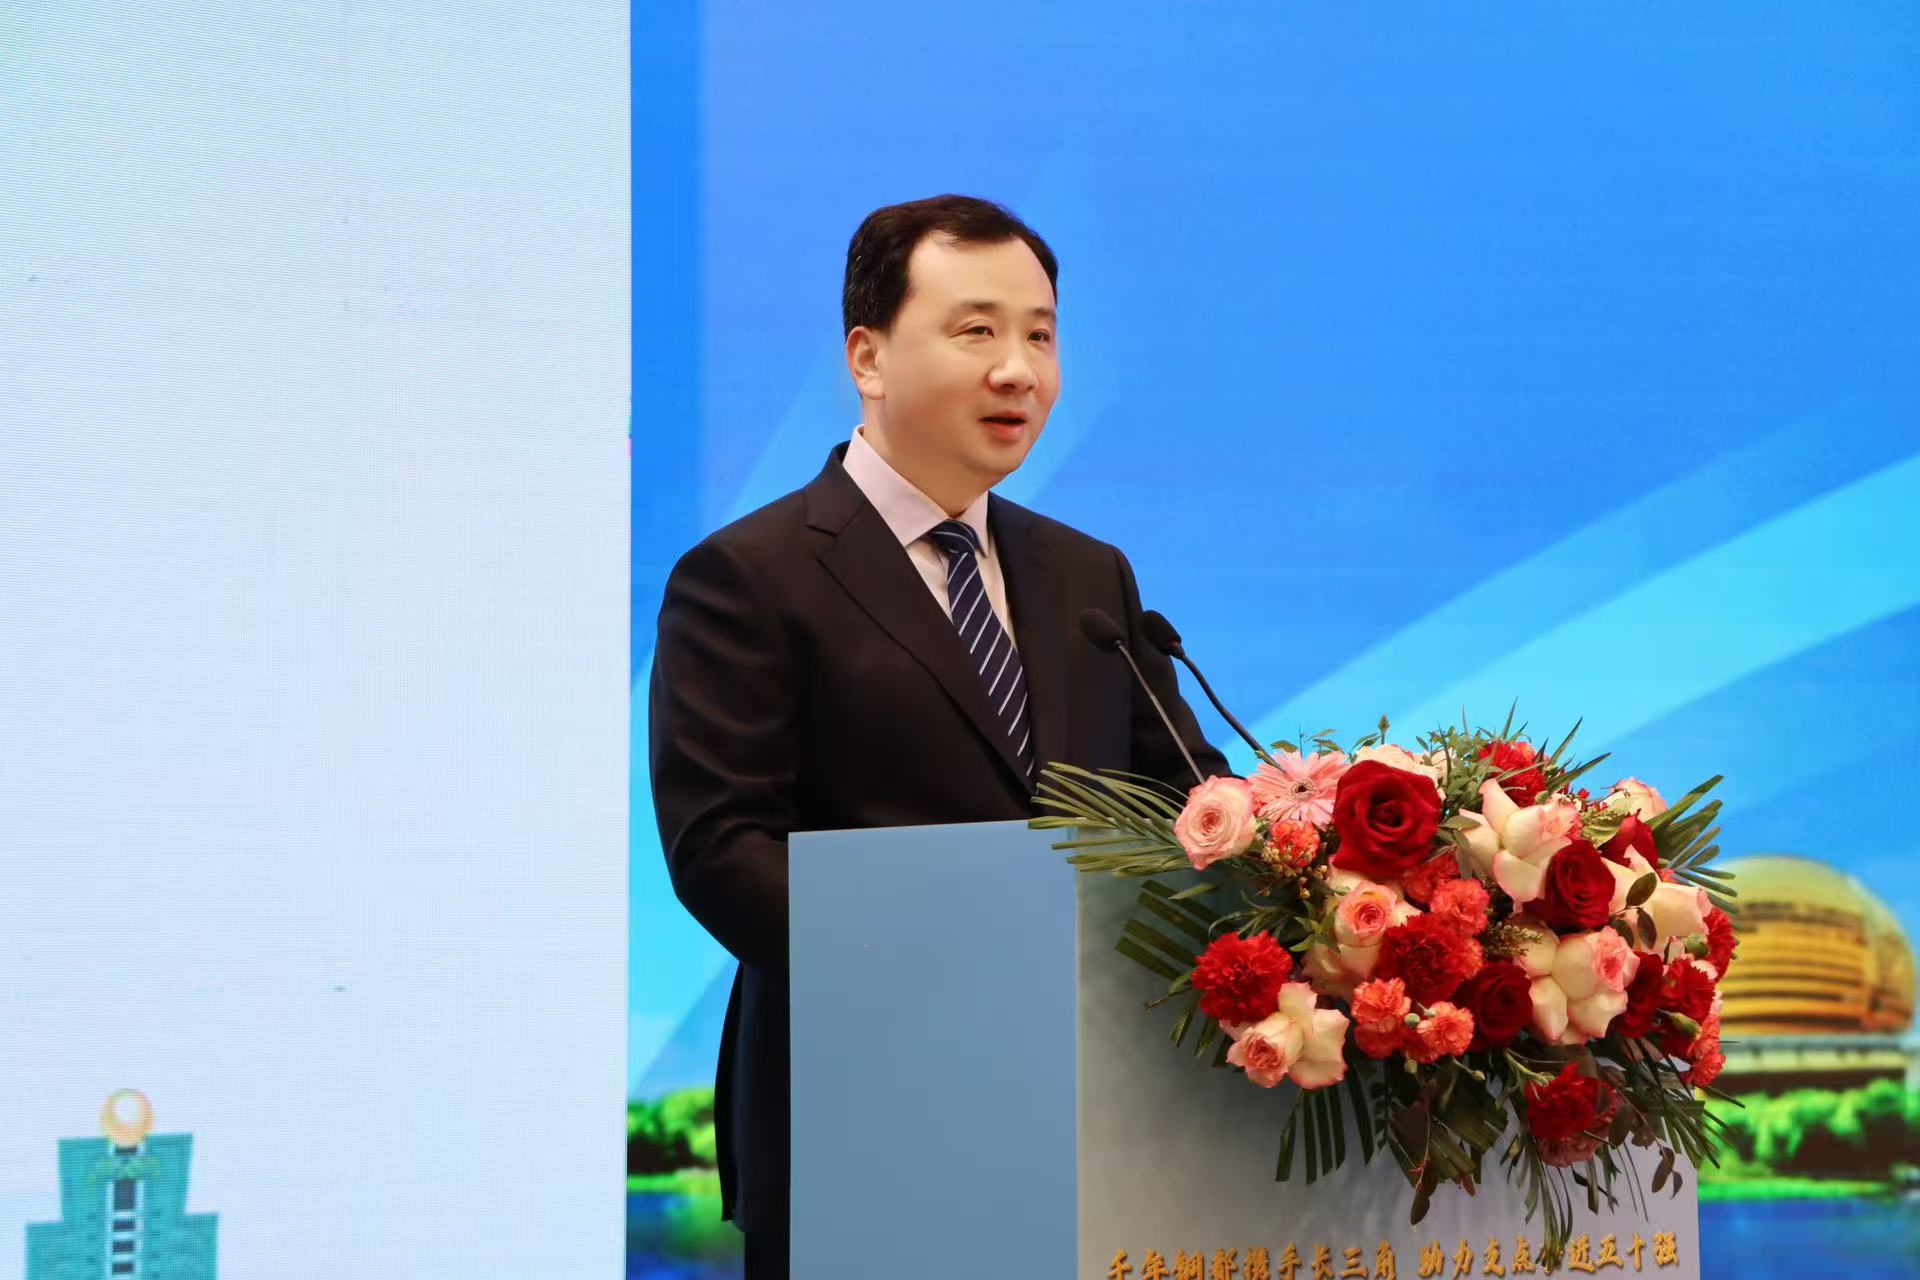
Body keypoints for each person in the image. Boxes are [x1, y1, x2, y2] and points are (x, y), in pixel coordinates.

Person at [649, 194, 1230, 1278]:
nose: (1019, 369)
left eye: (1041, 336)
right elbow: (721, 849)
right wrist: (956, 973)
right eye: (977, 331)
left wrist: (1258, 834)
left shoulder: (1087, 573)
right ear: (867, 357)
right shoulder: (749, 577)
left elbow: (1184, 795)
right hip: (863, 1115)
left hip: (1102, 1120)